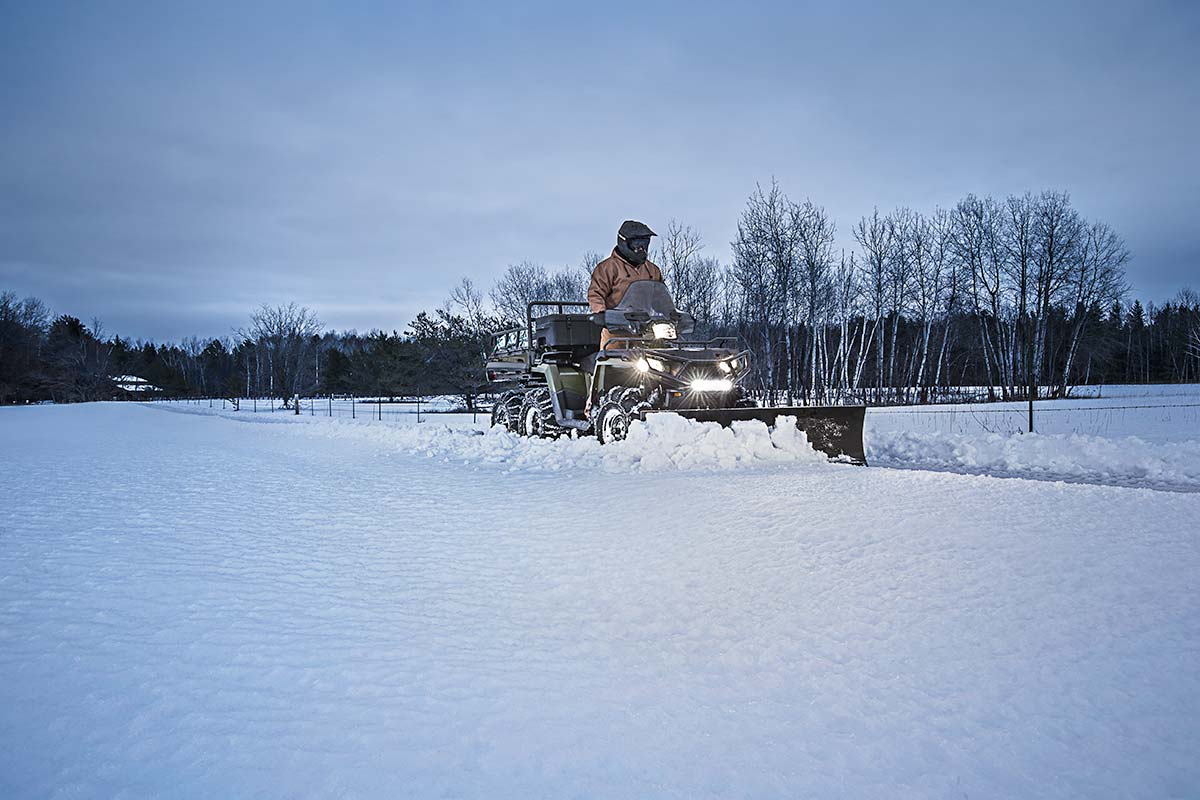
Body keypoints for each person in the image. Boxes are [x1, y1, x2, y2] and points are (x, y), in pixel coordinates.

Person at [587, 220, 664, 353]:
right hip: (617, 332)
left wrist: (673, 314)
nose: (641, 247)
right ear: (624, 241)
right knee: (614, 365)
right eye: (637, 242)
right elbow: (596, 293)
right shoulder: (607, 268)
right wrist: (601, 313)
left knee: (671, 364)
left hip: (647, 331)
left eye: (645, 242)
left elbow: (661, 296)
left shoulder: (652, 270)